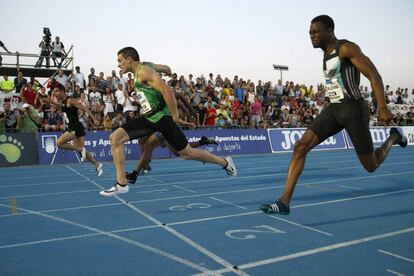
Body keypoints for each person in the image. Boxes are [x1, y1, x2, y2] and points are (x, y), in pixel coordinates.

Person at [260, 15, 407, 215]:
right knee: (300, 147)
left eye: (315, 32)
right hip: (334, 109)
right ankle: (284, 202)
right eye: (309, 33)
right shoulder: (325, 54)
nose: (311, 36)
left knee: (370, 165)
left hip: (354, 109)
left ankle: (394, 137)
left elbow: (374, 74)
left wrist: (382, 106)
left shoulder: (345, 48)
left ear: (329, 31)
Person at [99, 47, 237, 196]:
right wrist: (167, 72)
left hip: (163, 119)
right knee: (115, 138)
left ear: (129, 59)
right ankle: (121, 184)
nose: (118, 65)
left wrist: (174, 115)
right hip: (149, 117)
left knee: (187, 153)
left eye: (120, 61)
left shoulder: (143, 71)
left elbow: (167, 90)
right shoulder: (147, 65)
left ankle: (225, 162)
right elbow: (167, 68)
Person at [49, 86, 103, 176]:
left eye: (57, 91)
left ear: (62, 91)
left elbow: (84, 108)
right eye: (54, 92)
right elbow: (60, 106)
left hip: (76, 127)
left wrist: (94, 119)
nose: (55, 94)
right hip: (72, 127)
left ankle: (79, 149)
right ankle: (97, 164)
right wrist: (51, 102)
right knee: (83, 153)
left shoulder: (70, 100)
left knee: (59, 143)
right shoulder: (62, 102)